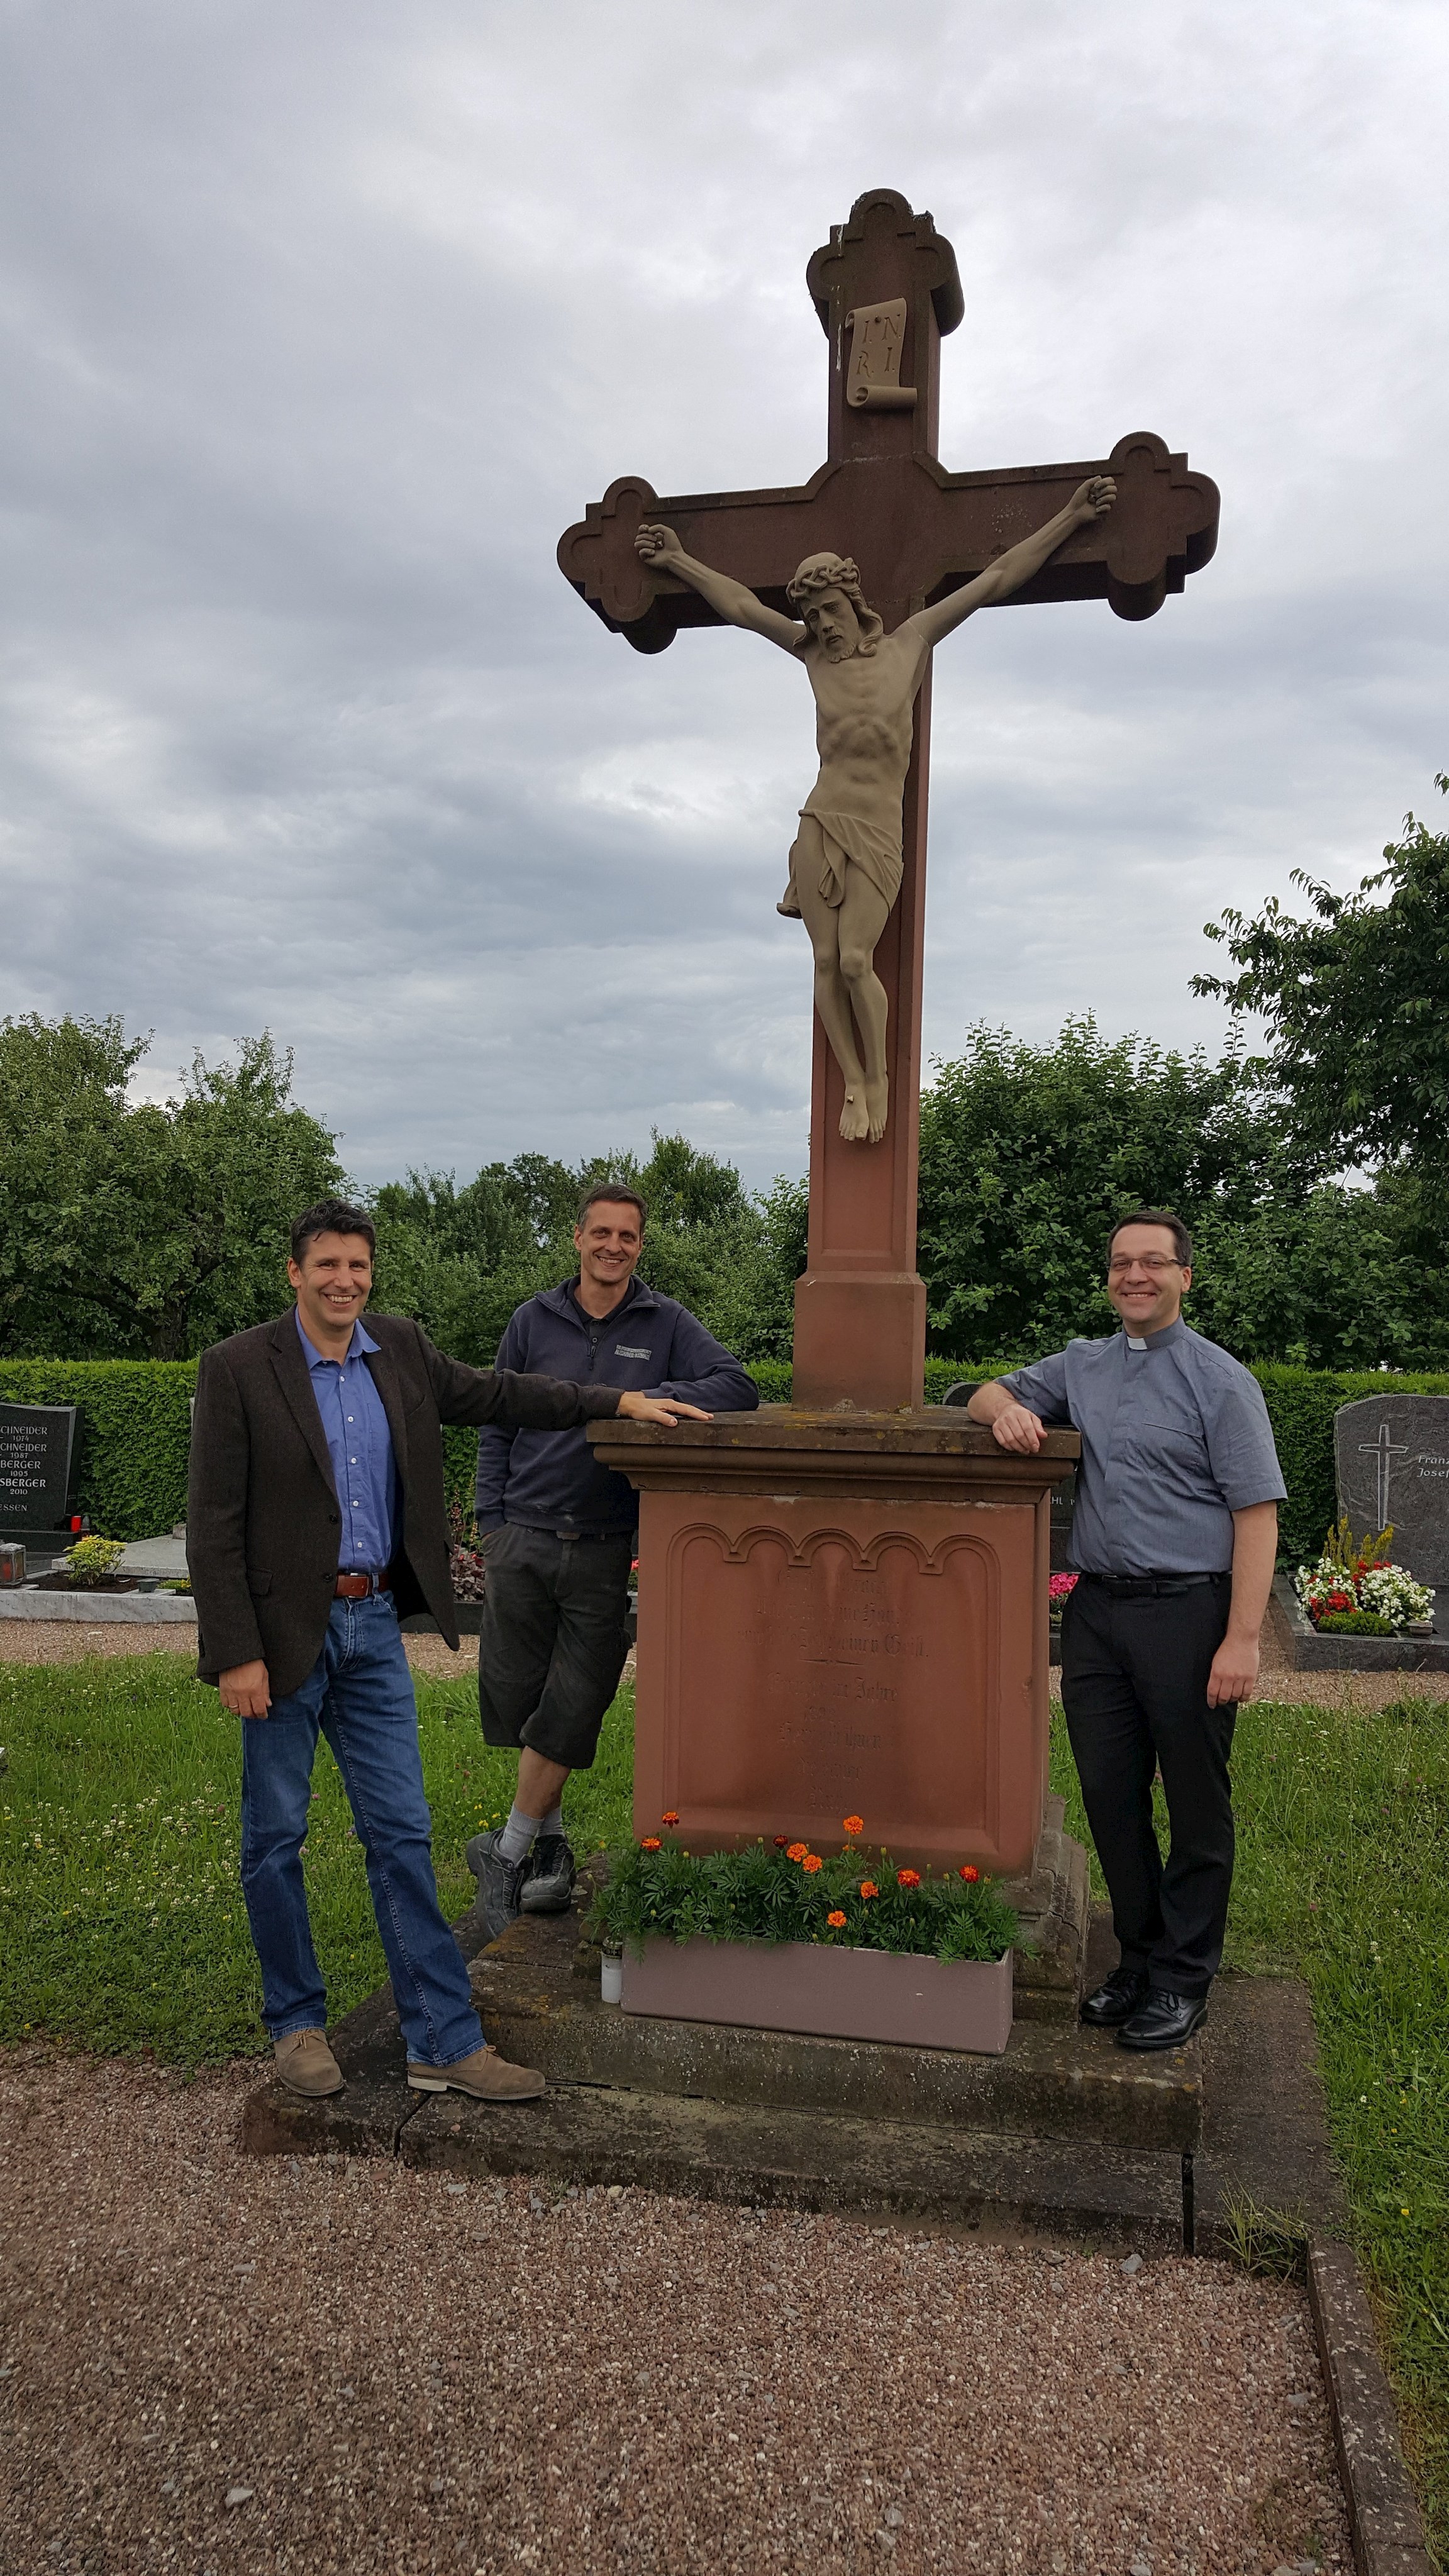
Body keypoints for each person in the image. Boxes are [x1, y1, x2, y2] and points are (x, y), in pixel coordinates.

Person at [187, 1196, 707, 2106]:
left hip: (376, 1627)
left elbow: (506, 1394)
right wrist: (237, 1651)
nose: (344, 1281)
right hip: (281, 1643)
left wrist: (616, 1398)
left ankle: (443, 2038)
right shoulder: (239, 1369)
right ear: (295, 1274)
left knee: (401, 1833)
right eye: (327, 1266)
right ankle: (297, 2023)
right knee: (275, 1840)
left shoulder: (402, 1350)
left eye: (358, 1265)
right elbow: (214, 1524)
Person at [634, 474, 1115, 1144]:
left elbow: (999, 576)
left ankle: (879, 1078)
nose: (820, 625)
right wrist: (677, 561)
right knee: (825, 964)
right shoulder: (810, 657)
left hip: (876, 829)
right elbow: (742, 607)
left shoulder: (910, 644)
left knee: (857, 960)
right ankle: (853, 1082)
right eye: (811, 617)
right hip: (820, 821)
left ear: (851, 600)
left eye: (828, 609)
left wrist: (1070, 517)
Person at [966, 1211, 1285, 2051]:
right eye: (1120, 1263)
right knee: (1110, 1795)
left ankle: (1186, 1976)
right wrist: (1004, 1414)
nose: (1135, 1276)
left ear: (1186, 1275)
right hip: (1099, 1613)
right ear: (1108, 1277)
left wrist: (1242, 1640)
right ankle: (1141, 1957)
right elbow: (983, 1392)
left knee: (1193, 1802)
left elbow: (1256, 1514)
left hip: (1188, 1612)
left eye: (1153, 1263)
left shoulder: (1221, 1382)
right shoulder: (1084, 1365)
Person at [467, 1182, 758, 1935]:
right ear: (577, 1237)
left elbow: (738, 1385)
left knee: (575, 1700)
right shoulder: (534, 1318)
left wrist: (637, 1396)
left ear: (640, 1245)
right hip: (521, 1534)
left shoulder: (663, 1322)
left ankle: (506, 1850)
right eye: (601, 1233)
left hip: (603, 1542)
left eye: (627, 1236)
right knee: (521, 1699)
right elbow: (497, 1416)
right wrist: (491, 1519)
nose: (613, 1247)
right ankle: (550, 1854)